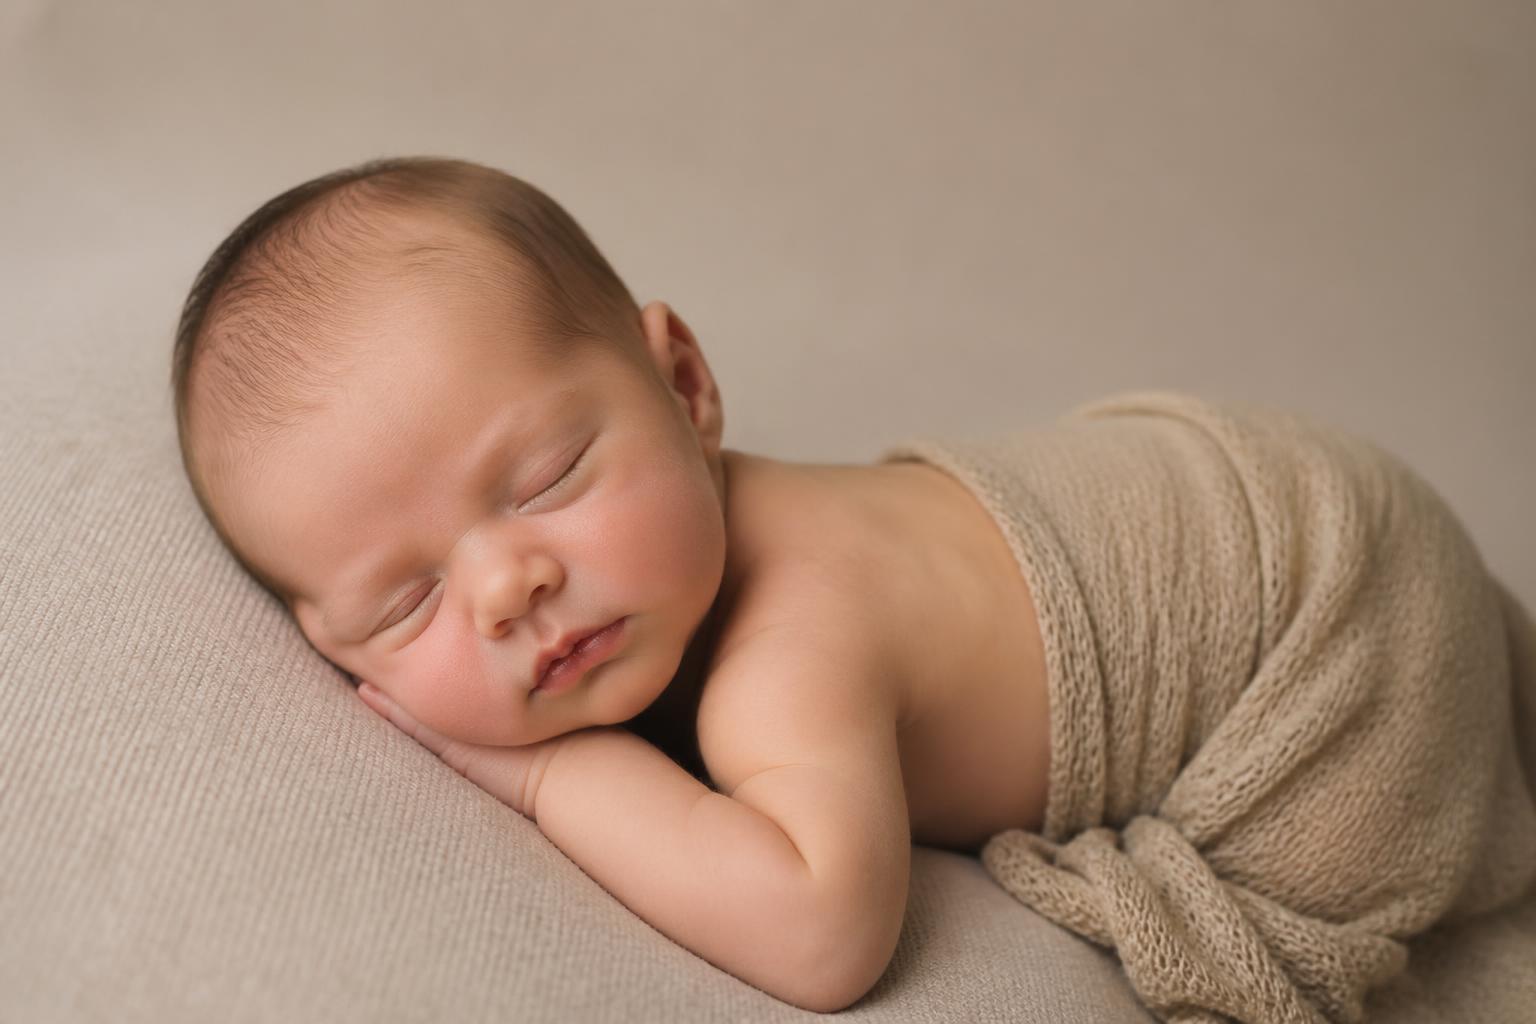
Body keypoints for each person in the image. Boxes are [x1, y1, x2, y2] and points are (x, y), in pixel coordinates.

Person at [171, 156, 1536, 1021]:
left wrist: (545, 780)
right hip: (1250, 486)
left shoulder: (794, 642)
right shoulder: (657, 577)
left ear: (686, 386)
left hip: (1331, 604)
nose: (509, 585)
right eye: (406, 604)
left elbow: (826, 938)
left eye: (543, 481)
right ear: (328, 645)